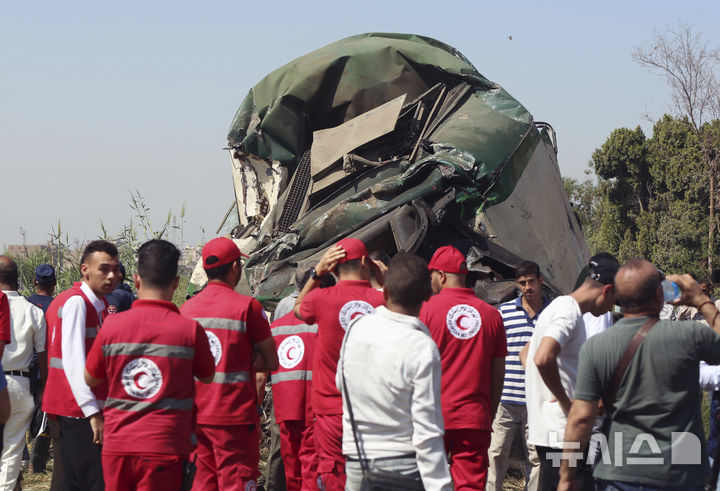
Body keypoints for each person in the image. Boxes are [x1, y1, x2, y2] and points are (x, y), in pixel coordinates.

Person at [559, 259, 720, 490]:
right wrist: (700, 299)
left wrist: (566, 477)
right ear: (659, 295)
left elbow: (581, 418)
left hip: (619, 472)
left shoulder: (596, 347)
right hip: (679, 474)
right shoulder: (690, 336)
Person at [84, 239, 216, 490]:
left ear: (135, 280)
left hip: (118, 446)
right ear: (176, 283)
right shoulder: (189, 330)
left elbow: (90, 378)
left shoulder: (112, 326)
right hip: (165, 447)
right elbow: (208, 376)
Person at [337, 254, 452, 490]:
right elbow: (427, 429)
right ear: (428, 296)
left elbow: (341, 382)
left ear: (386, 293)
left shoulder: (356, 328)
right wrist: (440, 485)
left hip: (357, 461)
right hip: (403, 466)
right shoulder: (422, 347)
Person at [180, 236, 278, 491]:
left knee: (202, 484)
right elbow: (271, 361)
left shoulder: (186, 310)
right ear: (235, 268)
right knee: (236, 482)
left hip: (195, 417)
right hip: (234, 418)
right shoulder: (248, 307)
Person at [293, 238, 385, 490]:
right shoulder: (382, 301)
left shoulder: (322, 298)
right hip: (373, 409)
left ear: (332, 270)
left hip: (330, 409)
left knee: (335, 475)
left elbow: (299, 309)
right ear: (368, 263)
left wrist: (316, 273)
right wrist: (383, 280)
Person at [523, 252, 619, 490]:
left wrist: (548, 388)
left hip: (556, 433)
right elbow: (543, 357)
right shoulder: (569, 312)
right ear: (606, 291)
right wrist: (567, 403)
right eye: (613, 300)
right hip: (563, 435)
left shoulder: (558, 306)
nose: (611, 308)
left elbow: (525, 354)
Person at [419, 245, 507, 490]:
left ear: (442, 276)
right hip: (474, 417)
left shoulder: (424, 311)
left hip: (432, 416)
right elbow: (498, 375)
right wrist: (487, 414)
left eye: (432, 276)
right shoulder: (492, 315)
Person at [42, 239, 119, 491]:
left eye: (115, 270)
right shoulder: (78, 303)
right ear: (85, 269)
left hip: (81, 407)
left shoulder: (98, 305)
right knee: (82, 480)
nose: (111, 276)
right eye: (104, 269)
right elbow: (73, 360)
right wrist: (92, 411)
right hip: (75, 409)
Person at [486, 261, 547, 491]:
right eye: (522, 283)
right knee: (496, 455)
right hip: (506, 400)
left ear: (540, 281)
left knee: (537, 458)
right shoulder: (504, 313)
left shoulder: (551, 314)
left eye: (532, 281)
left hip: (536, 401)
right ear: (517, 284)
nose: (527, 287)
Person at [270, 264, 319, 491]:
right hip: (312, 405)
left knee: (291, 467)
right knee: (311, 467)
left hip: (284, 403)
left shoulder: (279, 318)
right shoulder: (321, 320)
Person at [0, 257, 47, 490]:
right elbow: (42, 356)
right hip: (21, 384)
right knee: (12, 448)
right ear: (18, 278)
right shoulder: (33, 311)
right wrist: (44, 390)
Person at [25, 264, 55, 475]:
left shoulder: (25, 305)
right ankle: (37, 455)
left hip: (25, 366)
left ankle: (25, 454)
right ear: (54, 284)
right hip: (46, 368)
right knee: (41, 410)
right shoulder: (56, 307)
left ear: (35, 282)